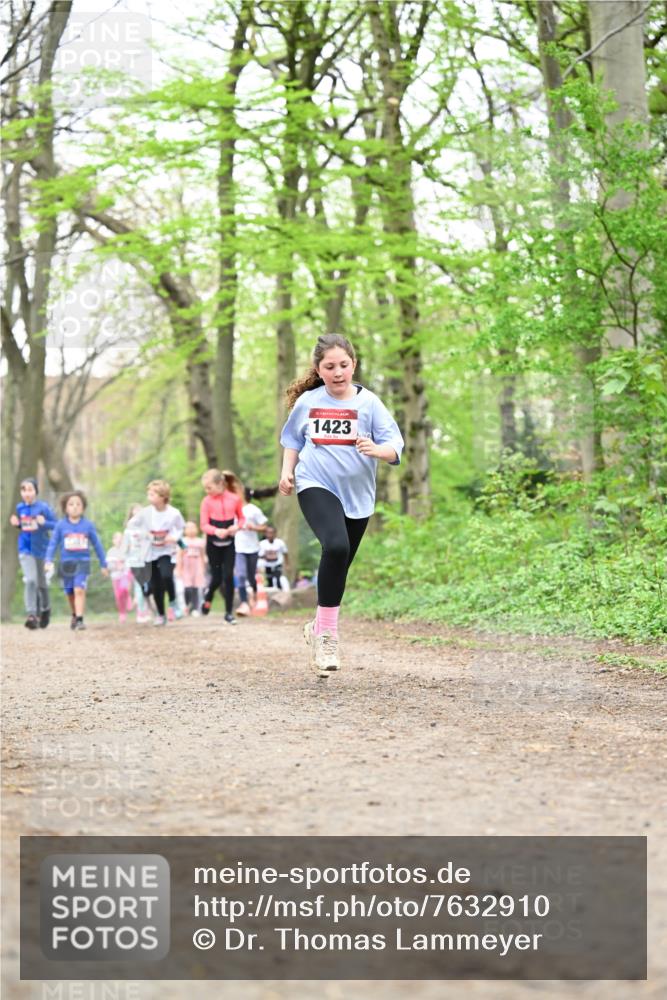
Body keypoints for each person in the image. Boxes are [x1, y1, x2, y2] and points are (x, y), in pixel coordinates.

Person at [279, 333, 403, 675]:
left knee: (340, 562)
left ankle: (318, 625)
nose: (337, 372)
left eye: (343, 365)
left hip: (358, 494)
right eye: (329, 366)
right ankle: (329, 637)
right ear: (319, 370)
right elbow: (292, 439)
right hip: (315, 482)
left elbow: (395, 445)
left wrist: (378, 450)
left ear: (354, 365)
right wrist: (287, 472)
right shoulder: (309, 402)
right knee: (334, 547)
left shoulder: (369, 404)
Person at [44, 490, 109, 631]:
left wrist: (104, 563)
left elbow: (97, 545)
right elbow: (53, 543)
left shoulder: (88, 525)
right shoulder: (60, 525)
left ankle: (80, 619)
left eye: (78, 504)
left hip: (82, 563)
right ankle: (74, 614)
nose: (74, 506)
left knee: (79, 589)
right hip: (66, 564)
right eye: (71, 504)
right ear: (65, 508)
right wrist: (48, 560)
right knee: (70, 592)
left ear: (83, 507)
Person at [10, 477, 56, 629]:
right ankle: (31, 614)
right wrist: (17, 524)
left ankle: (45, 609)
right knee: (30, 580)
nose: (27, 493)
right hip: (25, 549)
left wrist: (45, 522)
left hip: (41, 550)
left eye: (30, 489)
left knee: (42, 583)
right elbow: (24, 527)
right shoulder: (19, 508)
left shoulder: (44, 507)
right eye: (24, 490)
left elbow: (56, 525)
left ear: (36, 491)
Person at [199, 469, 244, 624]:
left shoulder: (235, 499)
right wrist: (216, 531)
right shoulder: (206, 501)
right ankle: (208, 595)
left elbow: (242, 519)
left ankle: (228, 613)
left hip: (229, 544)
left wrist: (236, 528)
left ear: (220, 484)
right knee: (216, 578)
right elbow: (203, 525)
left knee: (228, 576)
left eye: (209, 488)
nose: (207, 491)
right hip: (213, 544)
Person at [143, 480, 184, 626]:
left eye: (152, 494)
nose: (149, 497)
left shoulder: (173, 513)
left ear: (162, 497)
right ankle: (161, 615)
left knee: (166, 575)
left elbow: (180, 528)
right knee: (155, 585)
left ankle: (173, 601)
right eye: (148, 494)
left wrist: (173, 537)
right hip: (150, 552)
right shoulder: (146, 513)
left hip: (166, 551)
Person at [234, 488, 268, 616]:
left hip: (252, 548)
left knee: (251, 576)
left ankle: (253, 594)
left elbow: (264, 526)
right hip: (238, 548)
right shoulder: (233, 509)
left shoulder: (254, 509)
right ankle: (244, 603)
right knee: (241, 575)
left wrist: (254, 527)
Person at [177, 521, 206, 616]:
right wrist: (178, 568)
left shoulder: (200, 541)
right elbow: (179, 555)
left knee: (196, 588)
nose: (191, 530)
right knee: (187, 588)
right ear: (185, 530)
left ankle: (195, 608)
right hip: (186, 567)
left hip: (197, 566)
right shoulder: (182, 541)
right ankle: (187, 605)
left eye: (193, 527)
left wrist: (203, 567)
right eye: (188, 528)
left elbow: (202, 555)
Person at [106, 531, 134, 623]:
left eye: (121, 539)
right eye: (117, 538)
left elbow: (130, 563)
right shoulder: (110, 552)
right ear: (113, 540)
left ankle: (128, 597)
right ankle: (122, 613)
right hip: (115, 577)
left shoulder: (126, 551)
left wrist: (125, 568)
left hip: (125, 575)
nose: (119, 541)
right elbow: (109, 566)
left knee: (124, 589)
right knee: (118, 596)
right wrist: (115, 566)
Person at [257, 525, 289, 590]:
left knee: (278, 579)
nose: (270, 535)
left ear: (275, 533)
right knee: (269, 581)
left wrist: (287, 564)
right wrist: (266, 556)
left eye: (272, 533)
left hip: (277, 563)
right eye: (268, 533)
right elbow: (259, 555)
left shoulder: (280, 543)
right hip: (267, 565)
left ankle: (280, 592)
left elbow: (285, 553)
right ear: (265, 534)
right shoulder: (262, 544)